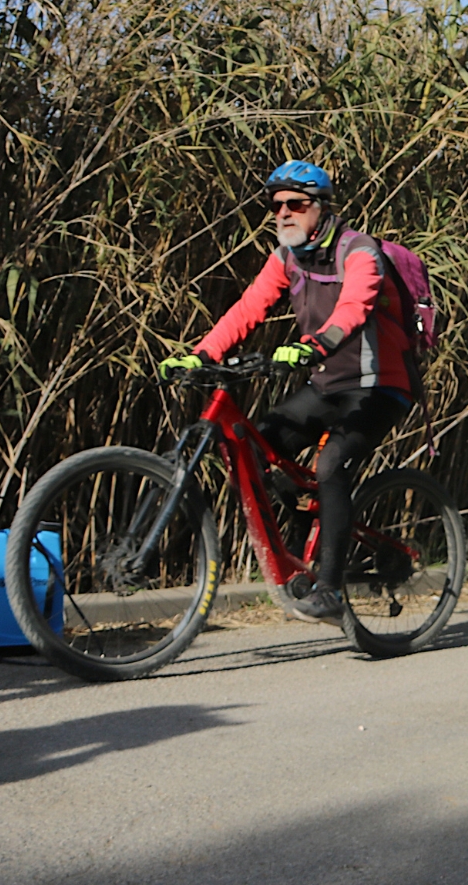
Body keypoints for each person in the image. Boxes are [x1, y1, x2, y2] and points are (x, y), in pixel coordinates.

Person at [159, 161, 417, 624]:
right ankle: (299, 548)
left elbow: (354, 310)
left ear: (321, 208)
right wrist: (202, 353)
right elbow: (248, 309)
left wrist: (311, 346)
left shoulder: (358, 252)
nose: (282, 214)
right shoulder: (287, 257)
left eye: (295, 205)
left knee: (333, 463)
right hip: (326, 384)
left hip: (379, 385)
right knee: (257, 447)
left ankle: (331, 589)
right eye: (275, 206)